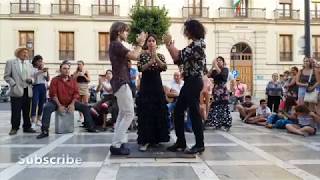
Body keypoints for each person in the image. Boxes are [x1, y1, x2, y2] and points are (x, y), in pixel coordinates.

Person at [163, 19, 206, 154]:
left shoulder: (198, 46)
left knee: (193, 112)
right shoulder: (193, 45)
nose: (185, 31)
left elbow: (178, 55)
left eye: (186, 29)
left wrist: (169, 45)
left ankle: (198, 144)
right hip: (190, 81)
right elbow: (178, 60)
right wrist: (170, 46)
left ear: (192, 30)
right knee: (179, 111)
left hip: (193, 82)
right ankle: (181, 142)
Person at [108, 21, 147, 155]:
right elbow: (135, 56)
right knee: (129, 114)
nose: (127, 33)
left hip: (119, 82)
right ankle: (116, 144)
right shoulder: (116, 45)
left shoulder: (115, 45)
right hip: (121, 82)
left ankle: (118, 142)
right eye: (125, 31)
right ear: (119, 32)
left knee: (123, 113)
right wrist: (141, 43)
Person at [36, 62, 98, 139]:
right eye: (64, 68)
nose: (67, 70)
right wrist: (59, 105)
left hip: (70, 102)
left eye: (68, 69)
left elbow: (76, 94)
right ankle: (44, 131)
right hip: (56, 102)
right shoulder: (55, 80)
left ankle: (90, 127)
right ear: (60, 70)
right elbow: (53, 94)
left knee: (85, 107)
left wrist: (72, 104)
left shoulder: (73, 80)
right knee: (47, 107)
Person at [135, 34, 170, 151]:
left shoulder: (160, 55)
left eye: (153, 41)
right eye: (149, 41)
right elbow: (140, 68)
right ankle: (145, 140)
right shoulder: (142, 55)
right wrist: (150, 62)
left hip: (157, 85)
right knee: (146, 112)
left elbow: (164, 67)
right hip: (146, 85)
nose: (151, 43)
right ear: (146, 43)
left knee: (157, 111)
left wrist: (156, 58)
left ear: (156, 43)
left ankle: (156, 139)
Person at [4, 46, 37, 135]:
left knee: (27, 111)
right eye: (24, 52)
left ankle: (27, 127)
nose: (26, 54)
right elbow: (7, 76)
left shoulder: (29, 64)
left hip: (27, 90)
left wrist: (31, 80)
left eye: (27, 53)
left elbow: (33, 77)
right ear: (18, 53)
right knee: (16, 111)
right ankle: (14, 128)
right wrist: (13, 84)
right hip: (16, 90)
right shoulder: (11, 62)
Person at [207, 56, 232, 131]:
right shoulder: (214, 71)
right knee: (216, 106)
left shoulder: (225, 69)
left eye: (220, 60)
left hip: (223, 90)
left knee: (224, 106)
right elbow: (208, 75)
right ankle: (217, 123)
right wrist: (212, 67)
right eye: (217, 60)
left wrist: (216, 66)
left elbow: (222, 76)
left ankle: (226, 124)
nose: (218, 62)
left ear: (223, 62)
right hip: (216, 90)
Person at [31, 55, 49, 128]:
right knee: (34, 103)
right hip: (35, 87)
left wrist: (45, 74)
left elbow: (48, 79)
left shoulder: (44, 69)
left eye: (41, 61)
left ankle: (39, 119)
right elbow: (32, 76)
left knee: (41, 104)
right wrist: (41, 71)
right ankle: (33, 121)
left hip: (43, 87)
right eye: (39, 61)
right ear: (35, 61)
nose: (40, 63)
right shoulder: (33, 69)